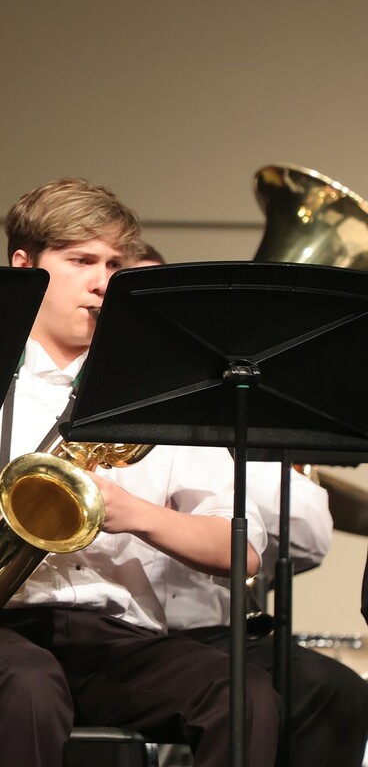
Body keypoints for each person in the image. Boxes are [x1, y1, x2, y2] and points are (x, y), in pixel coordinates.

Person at [0, 177, 281, 767]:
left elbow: (239, 552)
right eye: (81, 260)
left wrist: (133, 515)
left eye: (115, 263)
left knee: (244, 697)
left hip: (113, 634)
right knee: (27, 687)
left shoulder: (157, 392)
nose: (102, 281)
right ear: (25, 265)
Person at [137, 245, 368, 767]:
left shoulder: (219, 413)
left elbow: (311, 536)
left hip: (212, 631)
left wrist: (205, 467)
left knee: (338, 693)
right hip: (118, 626)